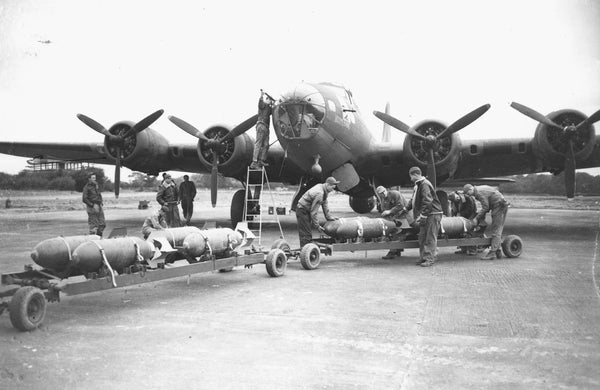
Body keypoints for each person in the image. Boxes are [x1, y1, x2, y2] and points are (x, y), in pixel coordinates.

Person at [401, 166, 443, 267]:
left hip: (432, 214)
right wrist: (406, 209)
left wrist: (423, 215)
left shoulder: (424, 184)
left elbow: (427, 200)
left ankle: (430, 258)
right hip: (426, 214)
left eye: (411, 176)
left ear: (415, 175)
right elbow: (413, 199)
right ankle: (423, 257)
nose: (410, 179)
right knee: (422, 237)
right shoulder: (418, 185)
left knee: (430, 237)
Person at [463, 184, 509, 260]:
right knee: (497, 229)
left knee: (496, 230)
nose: (469, 196)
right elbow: (486, 206)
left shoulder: (479, 193)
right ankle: (498, 251)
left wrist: (476, 219)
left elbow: (485, 207)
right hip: (498, 205)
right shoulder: (478, 190)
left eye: (468, 193)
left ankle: (492, 253)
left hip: (499, 206)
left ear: (471, 189)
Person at [296, 176, 340, 248]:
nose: (333, 190)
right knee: (306, 234)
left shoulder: (323, 188)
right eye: (332, 188)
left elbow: (325, 203)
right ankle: (305, 252)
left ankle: (306, 249)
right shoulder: (319, 193)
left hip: (305, 209)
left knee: (306, 232)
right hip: (302, 210)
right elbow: (313, 212)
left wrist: (329, 216)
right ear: (328, 185)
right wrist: (317, 225)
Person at [376, 185, 408, 259]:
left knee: (397, 233)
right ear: (379, 194)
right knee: (393, 232)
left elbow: (401, 205)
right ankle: (397, 250)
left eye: (384, 192)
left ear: (386, 190)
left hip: (405, 216)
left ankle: (392, 252)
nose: (383, 194)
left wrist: (390, 211)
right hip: (396, 218)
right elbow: (384, 210)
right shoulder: (383, 200)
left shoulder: (395, 194)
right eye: (381, 193)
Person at [448, 190, 478, 255]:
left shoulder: (467, 198)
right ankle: (463, 249)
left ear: (457, 196)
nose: (457, 200)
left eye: (457, 199)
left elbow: (470, 210)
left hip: (471, 216)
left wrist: (461, 215)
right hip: (461, 218)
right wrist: (453, 217)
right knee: (460, 232)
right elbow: (453, 210)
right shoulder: (453, 201)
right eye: (455, 200)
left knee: (470, 233)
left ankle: (473, 250)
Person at [250, 90, 275, 169]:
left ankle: (261, 160)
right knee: (259, 143)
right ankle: (254, 162)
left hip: (266, 128)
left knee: (266, 144)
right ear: (266, 99)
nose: (270, 101)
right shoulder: (263, 105)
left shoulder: (268, 108)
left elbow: (273, 110)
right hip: (261, 125)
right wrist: (261, 96)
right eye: (269, 100)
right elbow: (260, 103)